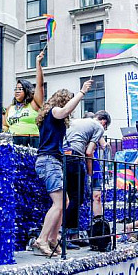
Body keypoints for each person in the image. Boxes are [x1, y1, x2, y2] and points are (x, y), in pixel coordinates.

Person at [31, 80, 93, 257]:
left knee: (63, 202)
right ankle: (42, 240)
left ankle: (52, 238)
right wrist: (81, 92)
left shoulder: (50, 117)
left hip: (51, 161)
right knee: (59, 203)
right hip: (49, 161)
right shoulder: (55, 111)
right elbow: (65, 110)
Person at [62, 110, 111, 248]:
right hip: (75, 157)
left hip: (63, 155)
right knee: (77, 198)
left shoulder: (77, 121)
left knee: (71, 197)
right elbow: (89, 151)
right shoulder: (98, 127)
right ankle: (65, 234)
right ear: (104, 122)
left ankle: (72, 235)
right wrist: (89, 172)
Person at [3, 51, 45, 147]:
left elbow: (40, 85)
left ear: (27, 90)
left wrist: (38, 64)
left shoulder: (34, 104)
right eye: (16, 89)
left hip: (32, 140)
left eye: (20, 89)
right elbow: (5, 125)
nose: (17, 91)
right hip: (13, 141)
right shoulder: (11, 107)